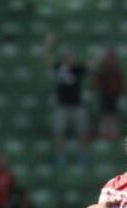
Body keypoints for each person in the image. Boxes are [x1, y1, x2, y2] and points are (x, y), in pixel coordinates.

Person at [44, 30, 89, 166]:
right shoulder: (60, 68)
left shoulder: (77, 69)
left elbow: (92, 65)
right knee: (59, 132)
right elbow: (48, 59)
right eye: (67, 56)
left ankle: (83, 156)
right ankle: (59, 156)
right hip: (62, 105)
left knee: (82, 132)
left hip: (76, 105)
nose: (69, 58)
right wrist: (48, 45)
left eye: (71, 56)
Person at [93, 47, 126, 140]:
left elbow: (121, 82)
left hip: (114, 94)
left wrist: (123, 92)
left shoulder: (117, 69)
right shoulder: (102, 69)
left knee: (113, 115)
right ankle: (104, 132)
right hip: (104, 94)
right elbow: (97, 81)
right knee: (105, 115)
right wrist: (96, 89)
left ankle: (113, 132)